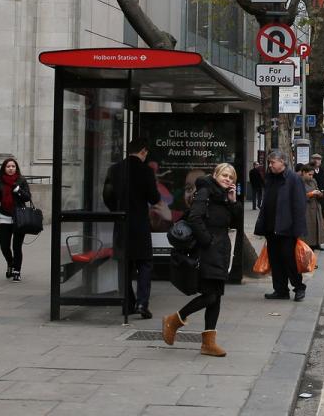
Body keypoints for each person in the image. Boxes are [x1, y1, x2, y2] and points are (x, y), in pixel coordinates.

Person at [162, 163, 242, 357]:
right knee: (210, 295)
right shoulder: (205, 191)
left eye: (231, 178)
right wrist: (207, 241)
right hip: (208, 251)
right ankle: (174, 320)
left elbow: (235, 222)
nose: (227, 179)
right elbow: (195, 218)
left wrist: (232, 201)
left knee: (216, 296)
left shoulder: (224, 197)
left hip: (221, 251)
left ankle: (208, 343)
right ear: (215, 175)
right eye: (224, 175)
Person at [103, 139, 160, 319]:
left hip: (121, 222)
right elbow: (154, 197)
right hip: (140, 224)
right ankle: (142, 302)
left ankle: (127, 303)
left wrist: (117, 210)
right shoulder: (146, 171)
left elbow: (107, 196)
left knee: (124, 264)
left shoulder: (114, 169)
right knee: (144, 263)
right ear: (143, 151)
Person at [254, 150, 307, 301]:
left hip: (287, 228)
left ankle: (299, 287)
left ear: (282, 162)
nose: (270, 165)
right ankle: (281, 290)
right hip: (271, 228)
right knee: (275, 260)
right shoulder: (270, 178)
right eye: (269, 162)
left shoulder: (294, 179)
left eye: (272, 162)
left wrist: (297, 229)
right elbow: (266, 203)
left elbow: (299, 205)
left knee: (289, 259)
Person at [0, 158, 32, 282]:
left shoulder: (21, 180)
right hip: (4, 216)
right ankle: (10, 262)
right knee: (4, 246)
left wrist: (18, 190)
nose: (11, 168)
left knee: (17, 247)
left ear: (16, 168)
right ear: (4, 168)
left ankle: (17, 271)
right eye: (8, 166)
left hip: (19, 217)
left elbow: (27, 197)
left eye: (13, 166)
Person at [298, 164, 324, 250]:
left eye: (312, 174)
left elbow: (318, 191)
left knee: (317, 226)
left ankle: (316, 243)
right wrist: (311, 194)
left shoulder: (313, 181)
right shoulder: (299, 181)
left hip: (315, 206)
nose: (311, 176)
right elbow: (299, 196)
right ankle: (308, 245)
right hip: (306, 208)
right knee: (309, 227)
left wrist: (319, 194)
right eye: (309, 174)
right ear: (303, 173)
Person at [309, 154, 324, 231]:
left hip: (321, 200)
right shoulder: (309, 172)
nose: (316, 161)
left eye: (318, 159)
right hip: (312, 199)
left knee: (321, 220)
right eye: (314, 159)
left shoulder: (323, 172)